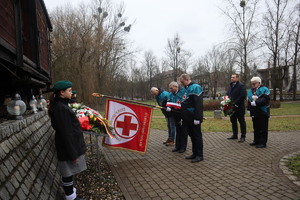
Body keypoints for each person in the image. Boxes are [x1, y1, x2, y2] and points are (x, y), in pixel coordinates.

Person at [48, 80, 87, 200]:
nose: (71, 93)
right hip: (67, 148)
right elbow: (66, 133)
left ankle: (71, 194)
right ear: (62, 92)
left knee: (69, 173)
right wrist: (72, 154)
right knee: (67, 173)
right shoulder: (61, 108)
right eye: (69, 91)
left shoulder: (62, 105)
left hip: (69, 146)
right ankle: (70, 197)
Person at [179, 73, 204, 163]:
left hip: (194, 117)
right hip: (186, 118)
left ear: (186, 79)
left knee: (197, 136)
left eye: (182, 82)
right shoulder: (185, 89)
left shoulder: (195, 87)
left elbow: (198, 104)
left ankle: (200, 155)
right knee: (192, 136)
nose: (181, 84)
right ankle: (194, 153)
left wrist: (197, 117)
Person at [247, 77, 270, 148]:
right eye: (252, 83)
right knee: (256, 127)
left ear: (259, 83)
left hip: (263, 111)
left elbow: (265, 99)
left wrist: (256, 102)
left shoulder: (265, 89)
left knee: (263, 127)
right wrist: (248, 109)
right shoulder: (250, 91)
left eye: (254, 83)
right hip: (254, 111)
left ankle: (263, 142)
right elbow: (249, 101)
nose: (253, 85)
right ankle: (256, 140)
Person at [166, 81, 187, 153]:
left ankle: (183, 147)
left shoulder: (182, 92)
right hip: (175, 114)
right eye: (169, 88)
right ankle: (177, 146)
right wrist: (168, 107)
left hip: (182, 113)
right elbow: (169, 102)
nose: (170, 90)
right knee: (178, 130)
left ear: (176, 87)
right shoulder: (170, 94)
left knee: (183, 131)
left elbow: (184, 101)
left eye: (171, 88)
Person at [226, 74, 247, 142]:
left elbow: (242, 96)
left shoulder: (241, 86)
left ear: (237, 78)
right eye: (231, 77)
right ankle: (235, 135)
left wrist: (235, 103)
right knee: (233, 121)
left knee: (241, 122)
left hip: (239, 108)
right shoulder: (230, 86)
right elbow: (228, 95)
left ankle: (243, 136)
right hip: (231, 108)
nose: (232, 79)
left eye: (233, 77)